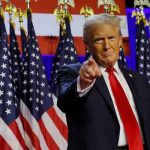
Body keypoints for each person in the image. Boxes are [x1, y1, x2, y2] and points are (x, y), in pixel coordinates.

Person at [56, 13, 150, 150]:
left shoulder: (138, 79)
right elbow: (64, 102)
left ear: (120, 41)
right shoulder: (73, 73)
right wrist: (83, 82)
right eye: (99, 40)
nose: (107, 46)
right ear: (87, 44)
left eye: (111, 38)